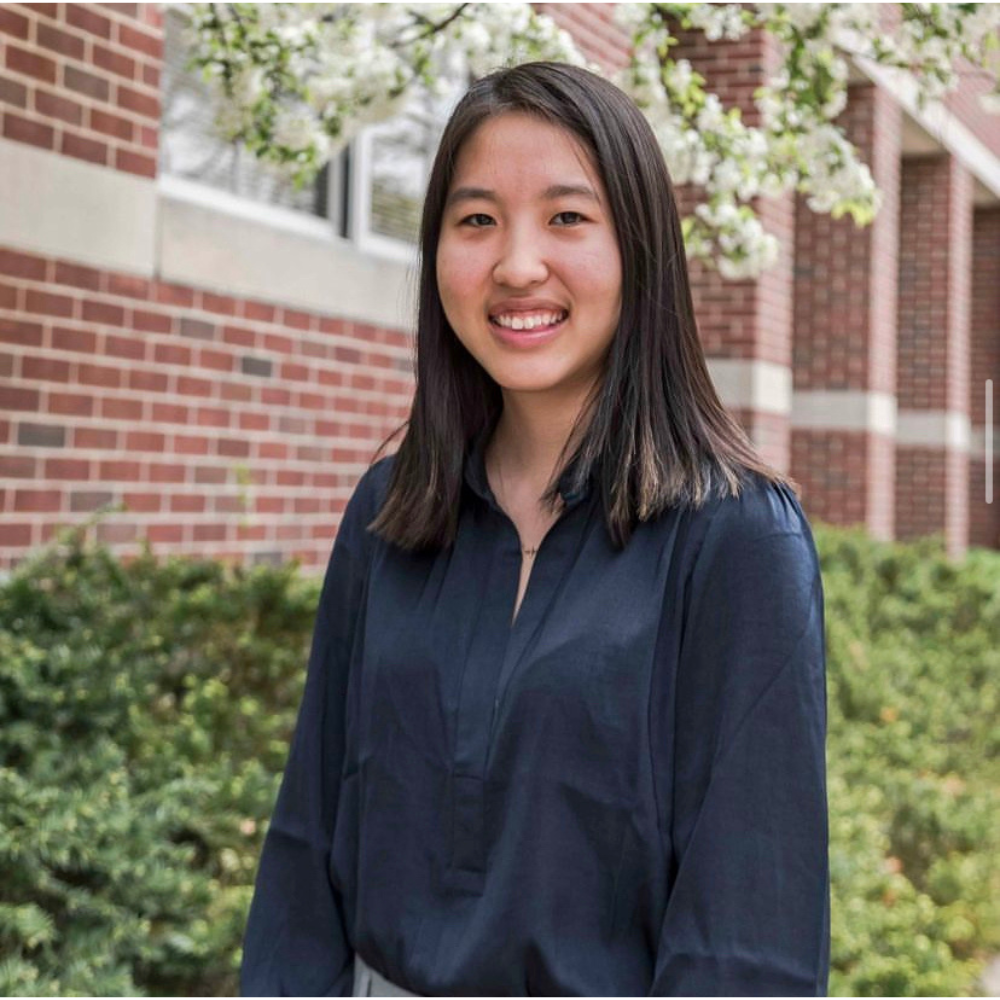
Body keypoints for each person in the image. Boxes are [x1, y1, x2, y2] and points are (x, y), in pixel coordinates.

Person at [240, 61, 830, 997]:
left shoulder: (738, 542)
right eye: (476, 220)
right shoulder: (389, 514)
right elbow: (306, 846)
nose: (516, 264)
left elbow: (746, 937)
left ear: (639, 246)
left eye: (566, 217)